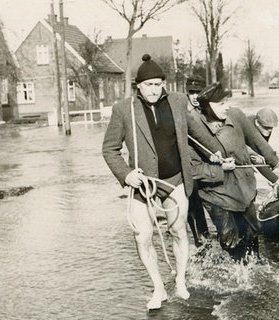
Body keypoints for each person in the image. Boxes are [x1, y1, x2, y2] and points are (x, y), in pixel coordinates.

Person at [102, 54, 192, 309]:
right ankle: (158, 288)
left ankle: (181, 281)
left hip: (174, 180)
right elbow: (109, 149)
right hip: (143, 185)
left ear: (163, 84)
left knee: (178, 231)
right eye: (148, 84)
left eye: (158, 84)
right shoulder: (124, 109)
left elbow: (195, 131)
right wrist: (126, 174)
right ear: (138, 86)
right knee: (142, 236)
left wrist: (218, 153)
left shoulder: (177, 101)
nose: (154, 89)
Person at [187, 82, 279, 261]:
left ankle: (253, 270)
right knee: (230, 239)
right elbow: (193, 169)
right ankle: (237, 276)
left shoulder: (235, 115)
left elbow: (256, 140)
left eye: (226, 102)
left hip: (244, 188)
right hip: (216, 193)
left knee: (253, 233)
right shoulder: (193, 127)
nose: (226, 107)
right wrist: (218, 169)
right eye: (221, 104)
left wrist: (272, 160)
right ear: (207, 105)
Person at [184, 75, 211, 247]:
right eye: (191, 92)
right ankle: (199, 238)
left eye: (198, 92)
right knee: (193, 204)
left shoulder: (209, 110)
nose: (195, 96)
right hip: (190, 164)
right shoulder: (182, 112)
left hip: (208, 161)